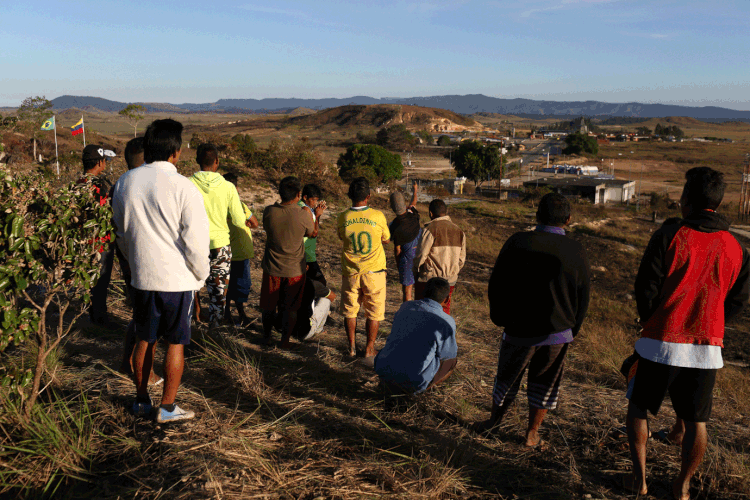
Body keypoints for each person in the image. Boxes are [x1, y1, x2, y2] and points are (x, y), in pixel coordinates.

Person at [625, 167, 750, 500]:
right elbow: (737, 302)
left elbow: (645, 286)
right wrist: (711, 323)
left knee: (638, 409)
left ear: (686, 200)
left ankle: (639, 481)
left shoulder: (669, 235)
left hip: (658, 344)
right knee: (698, 422)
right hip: (707, 348)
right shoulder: (737, 248)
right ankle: (682, 487)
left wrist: (650, 319)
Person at [473, 193, 590, 447]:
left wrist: (500, 318)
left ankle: (493, 422)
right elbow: (583, 296)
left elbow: (497, 284)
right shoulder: (576, 250)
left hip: (518, 329)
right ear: (568, 220)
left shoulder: (518, 242)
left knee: (507, 378)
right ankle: (532, 434)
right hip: (558, 333)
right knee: (545, 384)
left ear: (537, 215)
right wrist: (573, 328)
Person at [112, 118, 210, 423]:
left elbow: (121, 232)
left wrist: (134, 261)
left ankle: (141, 400)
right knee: (176, 342)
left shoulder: (125, 183)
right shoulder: (185, 187)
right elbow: (195, 241)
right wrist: (201, 275)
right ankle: (167, 407)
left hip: (142, 276)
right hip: (177, 280)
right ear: (176, 152)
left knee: (144, 338)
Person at [115, 137, 160, 385]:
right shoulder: (145, 186)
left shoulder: (119, 186)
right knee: (147, 321)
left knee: (138, 315)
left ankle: (126, 362)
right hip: (145, 263)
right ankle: (144, 373)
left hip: (129, 261)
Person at [190, 144, 246, 328]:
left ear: (197, 160)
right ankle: (215, 331)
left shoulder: (187, 183)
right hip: (220, 246)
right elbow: (239, 221)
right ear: (217, 162)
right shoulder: (228, 187)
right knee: (218, 293)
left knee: (190, 286)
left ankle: (189, 326)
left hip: (193, 243)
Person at [260, 176, 320, 348]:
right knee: (290, 308)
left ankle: (266, 336)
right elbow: (311, 233)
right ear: (299, 194)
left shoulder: (269, 211)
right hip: (295, 269)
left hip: (272, 267)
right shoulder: (302, 214)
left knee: (269, 306)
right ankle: (284, 341)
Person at [337, 177, 391, 363]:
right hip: (374, 273)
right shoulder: (378, 216)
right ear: (368, 196)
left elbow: (341, 237)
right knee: (374, 312)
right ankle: (369, 349)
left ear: (350, 196)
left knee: (351, 311)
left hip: (351, 272)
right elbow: (386, 238)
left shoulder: (343, 217)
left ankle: (351, 348)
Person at [374, 277, 457, 394]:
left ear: (423, 292)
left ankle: (389, 382)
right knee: (452, 361)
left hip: (383, 370)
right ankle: (421, 390)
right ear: (447, 299)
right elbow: (448, 355)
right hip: (414, 381)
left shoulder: (405, 307)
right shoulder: (446, 321)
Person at [80, 144, 116, 327]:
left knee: (88, 280)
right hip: (100, 242)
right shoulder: (98, 185)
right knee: (101, 281)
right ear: (100, 162)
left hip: (82, 241)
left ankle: (90, 315)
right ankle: (100, 319)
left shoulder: (78, 183)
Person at [413, 199, 466, 315]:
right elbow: (461, 260)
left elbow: (421, 255)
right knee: (444, 312)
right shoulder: (459, 231)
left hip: (429, 280)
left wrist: (416, 270)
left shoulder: (430, 229)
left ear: (431, 213)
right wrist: (452, 271)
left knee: (423, 312)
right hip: (450, 280)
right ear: (446, 212)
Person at [222, 173, 259, 327]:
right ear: (236, 188)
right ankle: (238, 314)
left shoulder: (221, 206)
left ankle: (230, 314)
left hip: (227, 253)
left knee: (228, 286)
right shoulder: (241, 205)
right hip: (240, 254)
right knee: (240, 287)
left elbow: (254, 223)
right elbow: (255, 223)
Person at [389, 182, 420, 302]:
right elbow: (414, 202)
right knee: (420, 289)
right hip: (420, 254)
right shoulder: (413, 214)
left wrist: (399, 264)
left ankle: (407, 316)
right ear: (404, 204)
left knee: (407, 292)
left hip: (407, 259)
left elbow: (398, 250)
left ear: (392, 207)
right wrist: (415, 190)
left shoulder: (394, 226)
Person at [292, 272, 337, 342]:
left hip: (285, 329)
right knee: (326, 300)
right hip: (304, 332)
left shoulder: (284, 281)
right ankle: (319, 330)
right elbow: (332, 296)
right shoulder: (312, 284)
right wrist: (321, 289)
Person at [298, 184, 327, 285]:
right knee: (321, 283)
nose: (315, 203)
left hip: (303, 252)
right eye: (313, 200)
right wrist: (318, 216)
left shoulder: (300, 206)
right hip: (307, 253)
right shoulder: (305, 209)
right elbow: (313, 233)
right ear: (305, 197)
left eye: (316, 200)